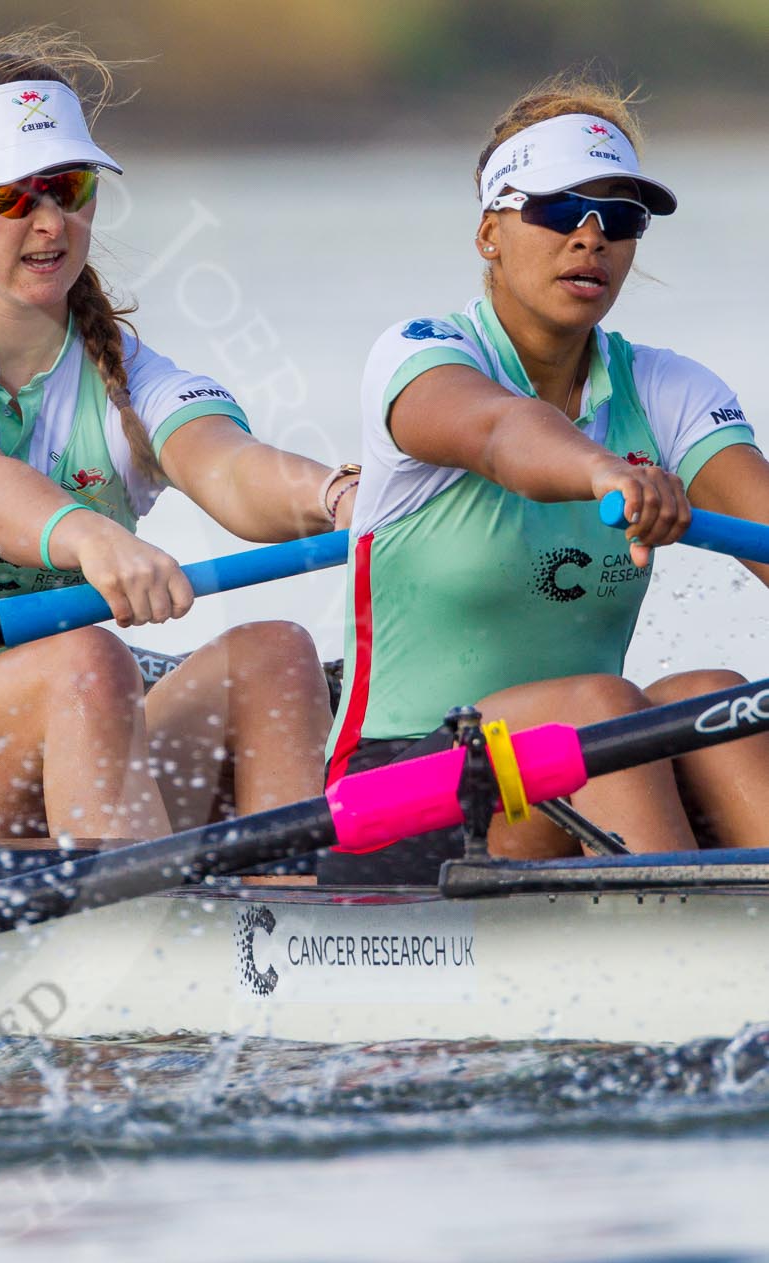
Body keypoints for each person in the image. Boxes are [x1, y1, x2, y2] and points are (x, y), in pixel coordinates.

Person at [0, 32, 346, 843]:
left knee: (277, 657)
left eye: (69, 187)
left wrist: (342, 496)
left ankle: (279, 907)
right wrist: (88, 535)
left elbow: (232, 467)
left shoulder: (135, 377)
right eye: (11, 196)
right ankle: (136, 908)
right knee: (85, 659)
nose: (50, 222)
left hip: (79, 715)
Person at [322, 75, 769, 884]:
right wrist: (603, 470)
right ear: (489, 232)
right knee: (598, 707)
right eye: (560, 210)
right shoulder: (421, 355)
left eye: (618, 219)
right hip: (388, 799)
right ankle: (678, 938)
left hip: (564, 772)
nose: (591, 239)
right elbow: (503, 434)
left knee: (716, 700)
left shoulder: (667, 388)